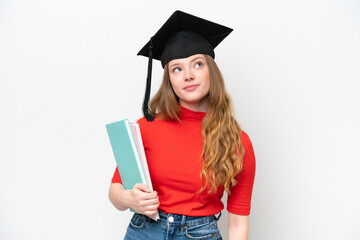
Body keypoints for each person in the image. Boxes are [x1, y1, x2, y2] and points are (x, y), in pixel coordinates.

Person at [109, 10, 256, 240]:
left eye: (197, 64)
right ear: (170, 80)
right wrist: (129, 199)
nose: (188, 75)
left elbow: (238, 223)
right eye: (177, 68)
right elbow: (115, 191)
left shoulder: (237, 141)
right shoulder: (146, 127)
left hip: (200, 234)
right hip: (144, 231)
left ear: (211, 71)